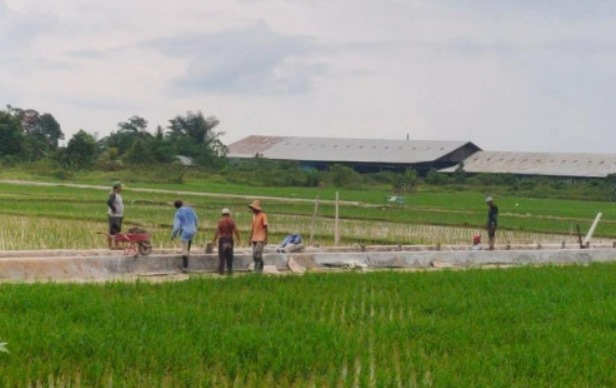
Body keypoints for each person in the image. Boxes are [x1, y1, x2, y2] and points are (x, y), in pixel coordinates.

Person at [171, 199, 199, 272]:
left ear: (175, 206)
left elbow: (177, 227)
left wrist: (173, 235)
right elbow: (196, 219)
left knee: (184, 250)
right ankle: (188, 254)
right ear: (182, 204)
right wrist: (195, 226)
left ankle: (185, 267)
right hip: (193, 230)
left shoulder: (178, 214)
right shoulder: (190, 209)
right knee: (188, 244)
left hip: (185, 232)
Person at [212, 208, 241, 275]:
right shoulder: (232, 221)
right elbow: (236, 230)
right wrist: (238, 239)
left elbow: (217, 231)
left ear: (222, 214)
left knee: (222, 256)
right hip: (230, 239)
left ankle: (221, 271)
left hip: (222, 240)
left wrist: (214, 240)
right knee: (229, 256)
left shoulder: (220, 221)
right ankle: (229, 271)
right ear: (229, 214)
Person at [248, 199, 268, 273]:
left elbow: (266, 227)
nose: (252, 210)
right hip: (254, 238)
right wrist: (250, 238)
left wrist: (266, 238)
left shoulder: (263, 216)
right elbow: (252, 228)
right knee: (254, 255)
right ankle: (259, 267)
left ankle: (258, 270)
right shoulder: (253, 216)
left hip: (261, 238)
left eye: (253, 208)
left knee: (257, 254)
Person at [106, 181, 124, 249]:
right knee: (112, 231)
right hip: (114, 216)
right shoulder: (113, 194)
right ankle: (110, 246)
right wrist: (114, 209)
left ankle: (117, 245)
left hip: (118, 216)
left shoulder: (118, 195)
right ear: (117, 188)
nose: (122, 188)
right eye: (120, 187)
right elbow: (109, 202)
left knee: (117, 231)